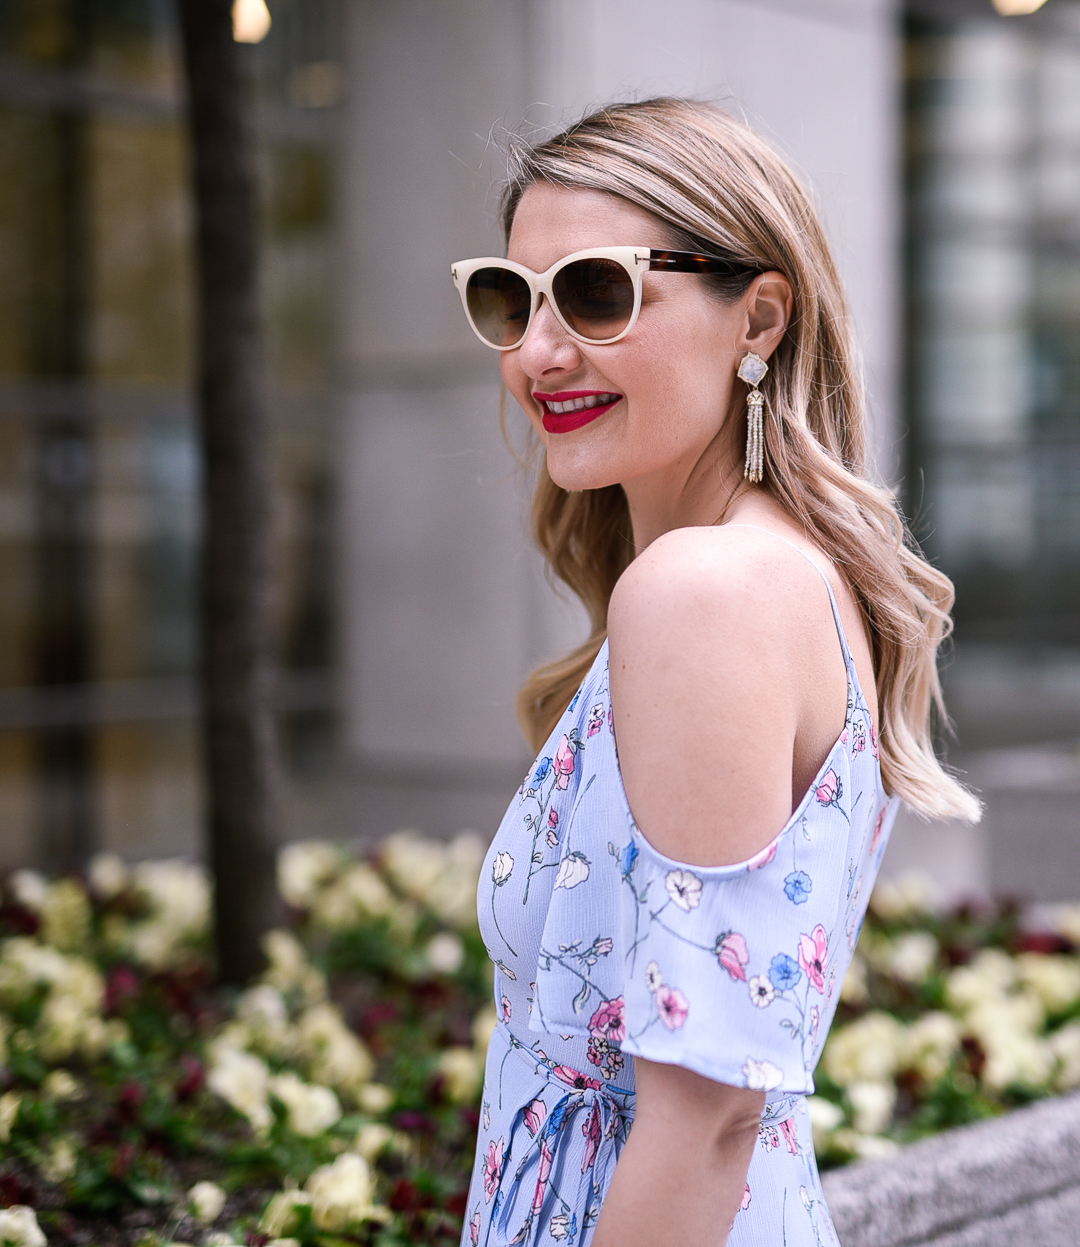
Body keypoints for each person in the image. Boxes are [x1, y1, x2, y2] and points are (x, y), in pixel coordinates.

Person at [450, 98, 979, 1247]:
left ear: (761, 318)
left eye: (598, 290)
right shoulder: (778, 573)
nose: (539, 350)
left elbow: (710, 1116)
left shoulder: (705, 591)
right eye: (512, 299)